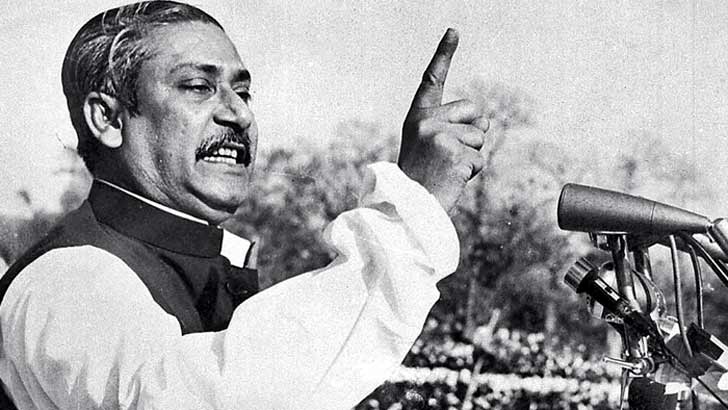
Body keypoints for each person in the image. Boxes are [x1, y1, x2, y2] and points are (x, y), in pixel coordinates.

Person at [0, 1, 489, 409]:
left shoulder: (193, 260)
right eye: (199, 86)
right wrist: (410, 209)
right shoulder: (68, 279)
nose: (239, 113)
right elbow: (202, 397)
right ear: (108, 119)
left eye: (243, 91)